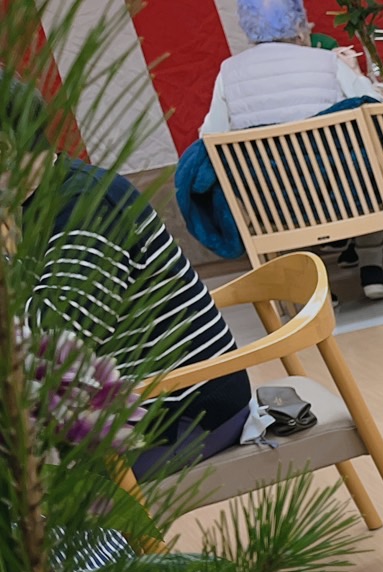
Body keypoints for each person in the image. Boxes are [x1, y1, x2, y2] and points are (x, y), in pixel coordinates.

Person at [8, 75, 250, 480]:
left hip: (181, 411)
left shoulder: (85, 207)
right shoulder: (44, 198)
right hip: (143, 402)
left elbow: (55, 343)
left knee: (23, 497)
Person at [200, 0, 383, 301]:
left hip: (275, 206)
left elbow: (209, 136)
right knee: (364, 167)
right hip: (344, 196)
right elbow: (375, 108)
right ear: (299, 25)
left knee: (279, 184)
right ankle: (372, 270)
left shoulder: (228, 72)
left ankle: (316, 289)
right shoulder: (326, 62)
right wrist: (356, 74)